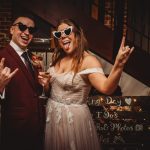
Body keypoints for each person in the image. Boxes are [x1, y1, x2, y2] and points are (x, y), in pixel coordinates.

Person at [39, 18, 134, 150]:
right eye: (58, 34)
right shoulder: (57, 58)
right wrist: (46, 84)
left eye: (67, 31)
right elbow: (52, 91)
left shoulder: (88, 60)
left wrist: (118, 65)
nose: (63, 36)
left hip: (73, 120)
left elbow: (106, 88)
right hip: (52, 116)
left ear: (77, 35)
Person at [0, 16, 45, 150]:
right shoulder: (2, 57)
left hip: (37, 128)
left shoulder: (32, 57)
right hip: (16, 131)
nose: (27, 32)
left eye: (31, 30)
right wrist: (0, 85)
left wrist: (44, 83)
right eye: (22, 27)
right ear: (12, 29)